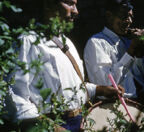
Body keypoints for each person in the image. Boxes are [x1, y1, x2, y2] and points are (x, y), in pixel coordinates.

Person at [4, 0, 124, 131]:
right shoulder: (27, 41)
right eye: (69, 3)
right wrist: (52, 128)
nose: (76, 11)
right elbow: (14, 98)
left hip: (80, 121)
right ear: (49, 4)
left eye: (76, 4)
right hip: (51, 125)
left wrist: (100, 90)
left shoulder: (67, 43)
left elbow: (72, 89)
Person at [84, 0, 144, 99]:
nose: (129, 21)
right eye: (124, 15)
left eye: (131, 17)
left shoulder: (128, 41)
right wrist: (131, 51)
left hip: (140, 102)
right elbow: (106, 84)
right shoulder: (96, 43)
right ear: (109, 16)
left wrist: (139, 53)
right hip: (115, 106)